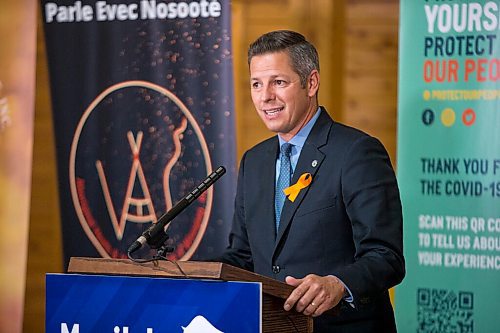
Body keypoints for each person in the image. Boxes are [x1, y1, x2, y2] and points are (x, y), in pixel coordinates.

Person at [218, 30, 405, 332]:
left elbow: (386, 256)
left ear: (311, 82)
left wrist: (337, 284)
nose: (265, 96)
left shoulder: (356, 152)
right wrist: (190, 276)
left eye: (278, 82)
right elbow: (243, 256)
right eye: (256, 84)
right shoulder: (253, 161)